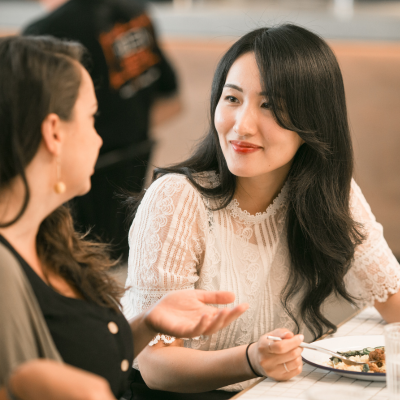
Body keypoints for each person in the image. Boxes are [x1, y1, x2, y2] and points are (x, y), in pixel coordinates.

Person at [121, 24, 400, 396]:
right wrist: (251, 359)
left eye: (269, 105)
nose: (242, 126)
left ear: (313, 120)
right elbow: (156, 364)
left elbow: (393, 299)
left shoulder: (332, 194)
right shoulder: (177, 200)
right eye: (232, 99)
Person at [0, 35, 247, 400]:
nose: (99, 139)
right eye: (90, 118)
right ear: (54, 132)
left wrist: (149, 324)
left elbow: (84, 357)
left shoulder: (50, 235)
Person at [23, 0, 181, 260]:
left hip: (75, 205)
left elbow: (22, 131)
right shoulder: (135, 13)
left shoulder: (48, 33)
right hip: (126, 182)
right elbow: (173, 99)